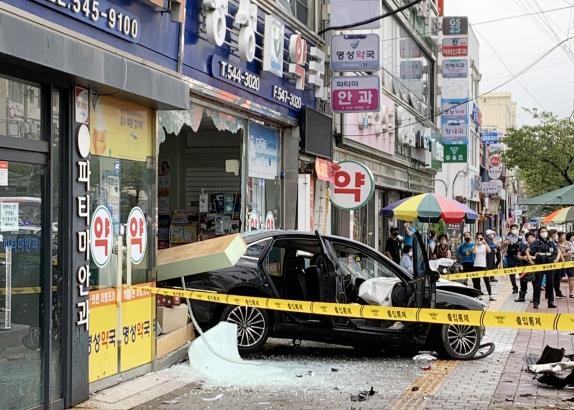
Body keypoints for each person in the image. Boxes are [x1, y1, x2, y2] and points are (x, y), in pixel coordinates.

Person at [527, 226, 561, 309]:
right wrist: (530, 259)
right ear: (539, 233)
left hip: (550, 264)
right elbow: (528, 250)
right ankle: (536, 302)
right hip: (539, 264)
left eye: (545, 231)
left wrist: (556, 259)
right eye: (542, 231)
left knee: (550, 284)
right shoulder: (536, 242)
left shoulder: (551, 241)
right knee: (537, 284)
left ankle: (550, 302)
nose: (544, 233)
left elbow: (556, 251)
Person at [514, 232, 536, 302]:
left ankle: (535, 298)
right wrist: (523, 257)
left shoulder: (537, 246)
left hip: (533, 267)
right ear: (526, 238)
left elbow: (538, 256)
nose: (532, 238)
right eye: (530, 237)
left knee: (535, 283)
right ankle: (521, 297)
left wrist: (530, 257)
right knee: (523, 282)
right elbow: (518, 255)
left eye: (533, 237)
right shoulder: (523, 246)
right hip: (523, 267)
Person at [472, 232, 495, 301]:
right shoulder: (475, 246)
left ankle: (490, 295)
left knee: (487, 281)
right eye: (478, 238)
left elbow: (489, 251)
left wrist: (485, 243)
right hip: (476, 265)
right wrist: (476, 243)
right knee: (477, 282)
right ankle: (479, 295)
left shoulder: (484, 246)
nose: (479, 239)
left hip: (483, 265)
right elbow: (473, 252)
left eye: (481, 238)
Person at [504, 224, 521, 293]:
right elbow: (502, 248)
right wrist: (504, 243)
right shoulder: (507, 238)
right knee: (512, 274)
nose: (514, 230)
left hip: (519, 257)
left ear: (518, 229)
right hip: (510, 257)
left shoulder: (521, 238)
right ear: (510, 230)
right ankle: (514, 287)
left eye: (515, 228)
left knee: (521, 273)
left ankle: (523, 288)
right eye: (512, 229)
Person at [556, 231, 570, 298]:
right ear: (559, 237)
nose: (564, 237)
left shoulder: (568, 243)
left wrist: (564, 253)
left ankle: (570, 293)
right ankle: (557, 292)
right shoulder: (556, 244)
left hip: (569, 263)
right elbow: (557, 253)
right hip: (560, 264)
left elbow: (571, 251)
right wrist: (564, 254)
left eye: (565, 236)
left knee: (571, 277)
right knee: (558, 278)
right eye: (563, 236)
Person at [567, 232, 574, 298]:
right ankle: (571, 292)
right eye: (572, 236)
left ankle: (571, 292)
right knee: (571, 277)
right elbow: (568, 252)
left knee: (571, 277)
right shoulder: (567, 243)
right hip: (569, 262)